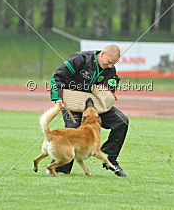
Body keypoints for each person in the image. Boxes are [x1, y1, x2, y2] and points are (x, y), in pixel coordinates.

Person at [49, 44, 129, 177]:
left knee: (121, 121)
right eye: (109, 62)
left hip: (95, 105)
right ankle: (61, 167)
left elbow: (110, 90)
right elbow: (57, 77)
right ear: (102, 54)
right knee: (73, 128)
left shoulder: (110, 69)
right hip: (73, 102)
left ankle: (110, 158)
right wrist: (57, 98)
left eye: (113, 64)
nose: (110, 66)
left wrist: (105, 91)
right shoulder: (79, 59)